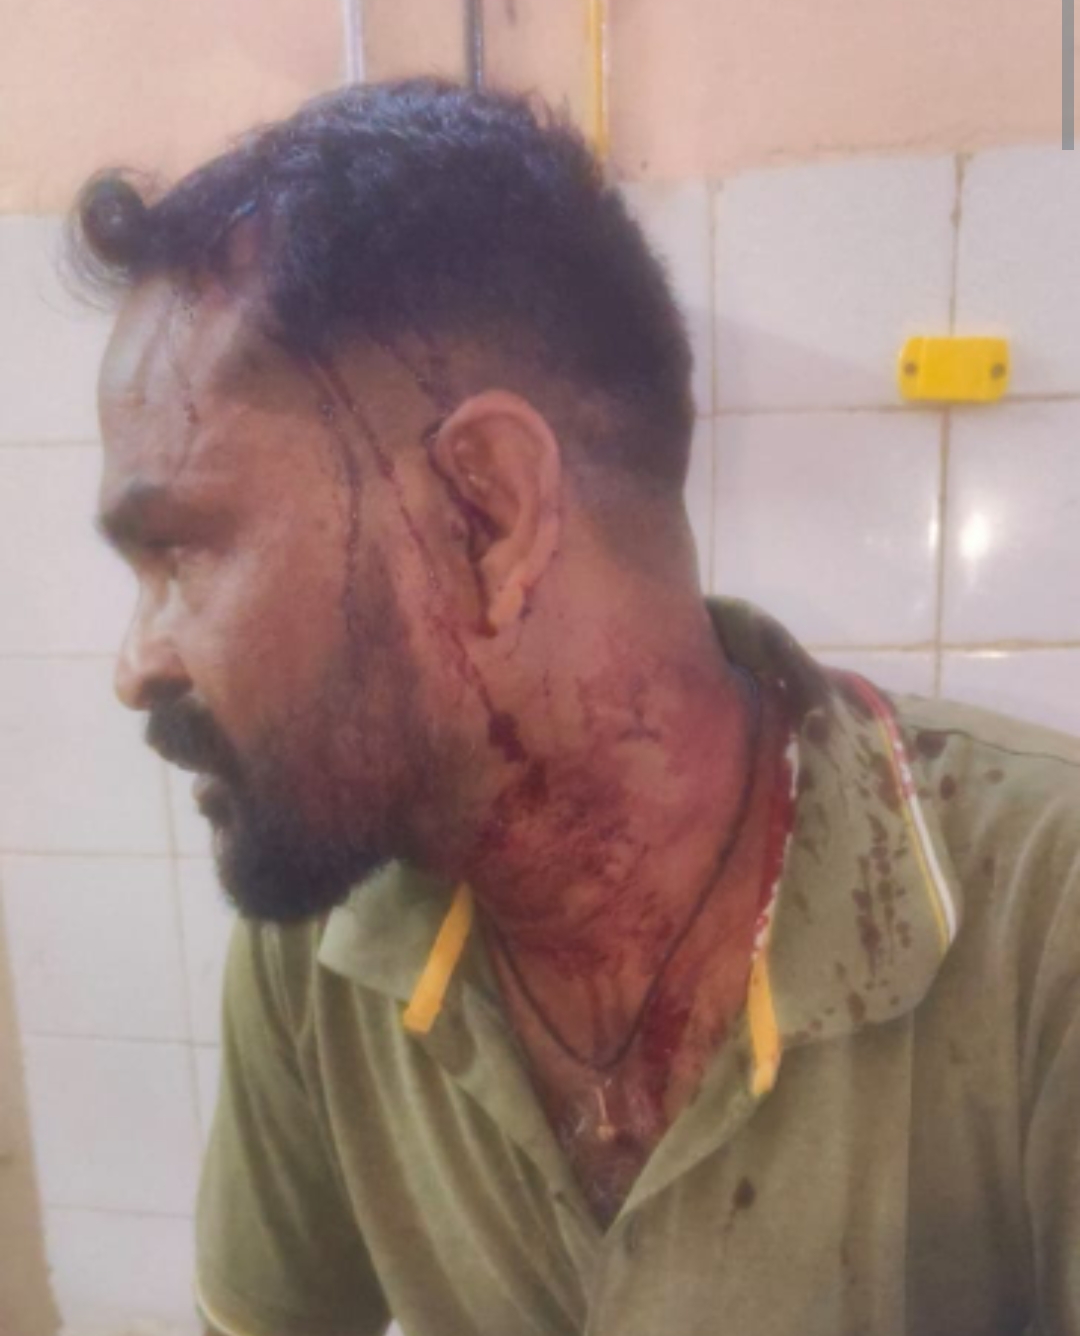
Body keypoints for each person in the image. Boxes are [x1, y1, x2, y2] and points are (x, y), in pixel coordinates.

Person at [73, 80, 1079, 1336]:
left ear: (485, 515)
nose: (135, 667)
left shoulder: (1044, 914)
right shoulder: (325, 932)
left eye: (181, 551)